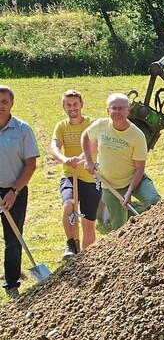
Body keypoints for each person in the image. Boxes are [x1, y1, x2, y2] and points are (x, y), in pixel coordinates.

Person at [82, 93, 161, 231]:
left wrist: (129, 192)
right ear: (108, 110)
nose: (117, 111)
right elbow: (85, 136)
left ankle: (157, 232)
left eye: (121, 108)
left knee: (155, 202)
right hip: (110, 184)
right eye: (114, 108)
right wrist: (88, 160)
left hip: (135, 181)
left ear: (128, 111)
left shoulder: (137, 135)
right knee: (119, 229)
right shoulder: (101, 125)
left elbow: (139, 168)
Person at [50, 89, 100, 260]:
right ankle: (71, 244)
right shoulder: (61, 126)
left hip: (91, 177)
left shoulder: (91, 124)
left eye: (75, 104)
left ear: (81, 105)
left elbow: (94, 145)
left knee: (88, 224)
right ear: (63, 106)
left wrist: (80, 159)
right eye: (68, 105)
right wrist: (65, 160)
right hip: (70, 176)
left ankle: (89, 257)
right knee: (69, 204)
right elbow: (54, 148)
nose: (72, 108)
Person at [0, 85, 39, 300]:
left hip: (14, 191)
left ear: (12, 104)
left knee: (13, 239)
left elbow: (30, 165)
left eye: (4, 102)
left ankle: (11, 284)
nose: (0, 106)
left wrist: (14, 190)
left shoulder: (23, 129)